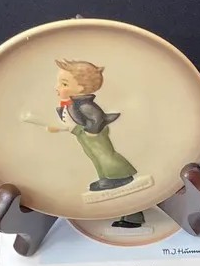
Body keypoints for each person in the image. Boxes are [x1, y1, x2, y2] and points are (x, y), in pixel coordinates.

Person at [47, 59, 138, 192]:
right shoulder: (71, 104)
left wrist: (91, 131)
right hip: (82, 134)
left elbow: (97, 118)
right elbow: (71, 122)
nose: (57, 87)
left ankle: (121, 175)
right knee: (94, 155)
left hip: (93, 134)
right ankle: (105, 177)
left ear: (80, 89)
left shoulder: (84, 105)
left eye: (64, 84)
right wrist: (58, 128)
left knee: (104, 154)